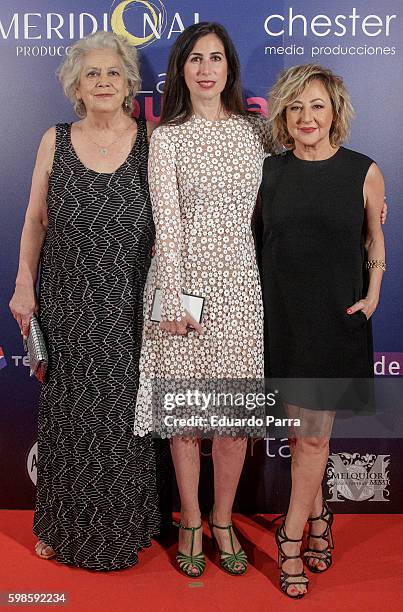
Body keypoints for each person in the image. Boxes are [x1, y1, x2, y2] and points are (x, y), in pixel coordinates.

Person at [9, 31, 161, 570]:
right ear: (76, 84)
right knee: (67, 422)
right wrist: (24, 284)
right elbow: (33, 221)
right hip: (67, 306)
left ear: (128, 86)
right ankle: (59, 527)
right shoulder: (54, 139)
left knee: (122, 421)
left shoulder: (152, 140)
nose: (102, 81)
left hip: (130, 310)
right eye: (92, 73)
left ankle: (124, 529)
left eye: (112, 73)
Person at [134, 22, 271, 577]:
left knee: (233, 419)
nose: (207, 68)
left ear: (229, 69)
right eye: (195, 59)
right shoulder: (166, 137)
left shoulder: (255, 133)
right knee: (188, 419)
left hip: (241, 286)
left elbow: (309, 167)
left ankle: (222, 518)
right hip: (184, 286)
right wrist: (176, 304)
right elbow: (166, 226)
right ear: (181, 71)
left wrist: (367, 196)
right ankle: (190, 519)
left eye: (216, 58)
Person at [257, 64, 386, 598]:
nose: (307, 117)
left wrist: (374, 292)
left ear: (335, 111)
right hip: (281, 317)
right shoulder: (269, 171)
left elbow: (375, 237)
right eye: (295, 107)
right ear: (284, 115)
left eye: (316, 105)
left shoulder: (364, 170)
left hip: (335, 319)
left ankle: (290, 540)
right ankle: (319, 516)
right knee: (298, 435)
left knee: (313, 435)